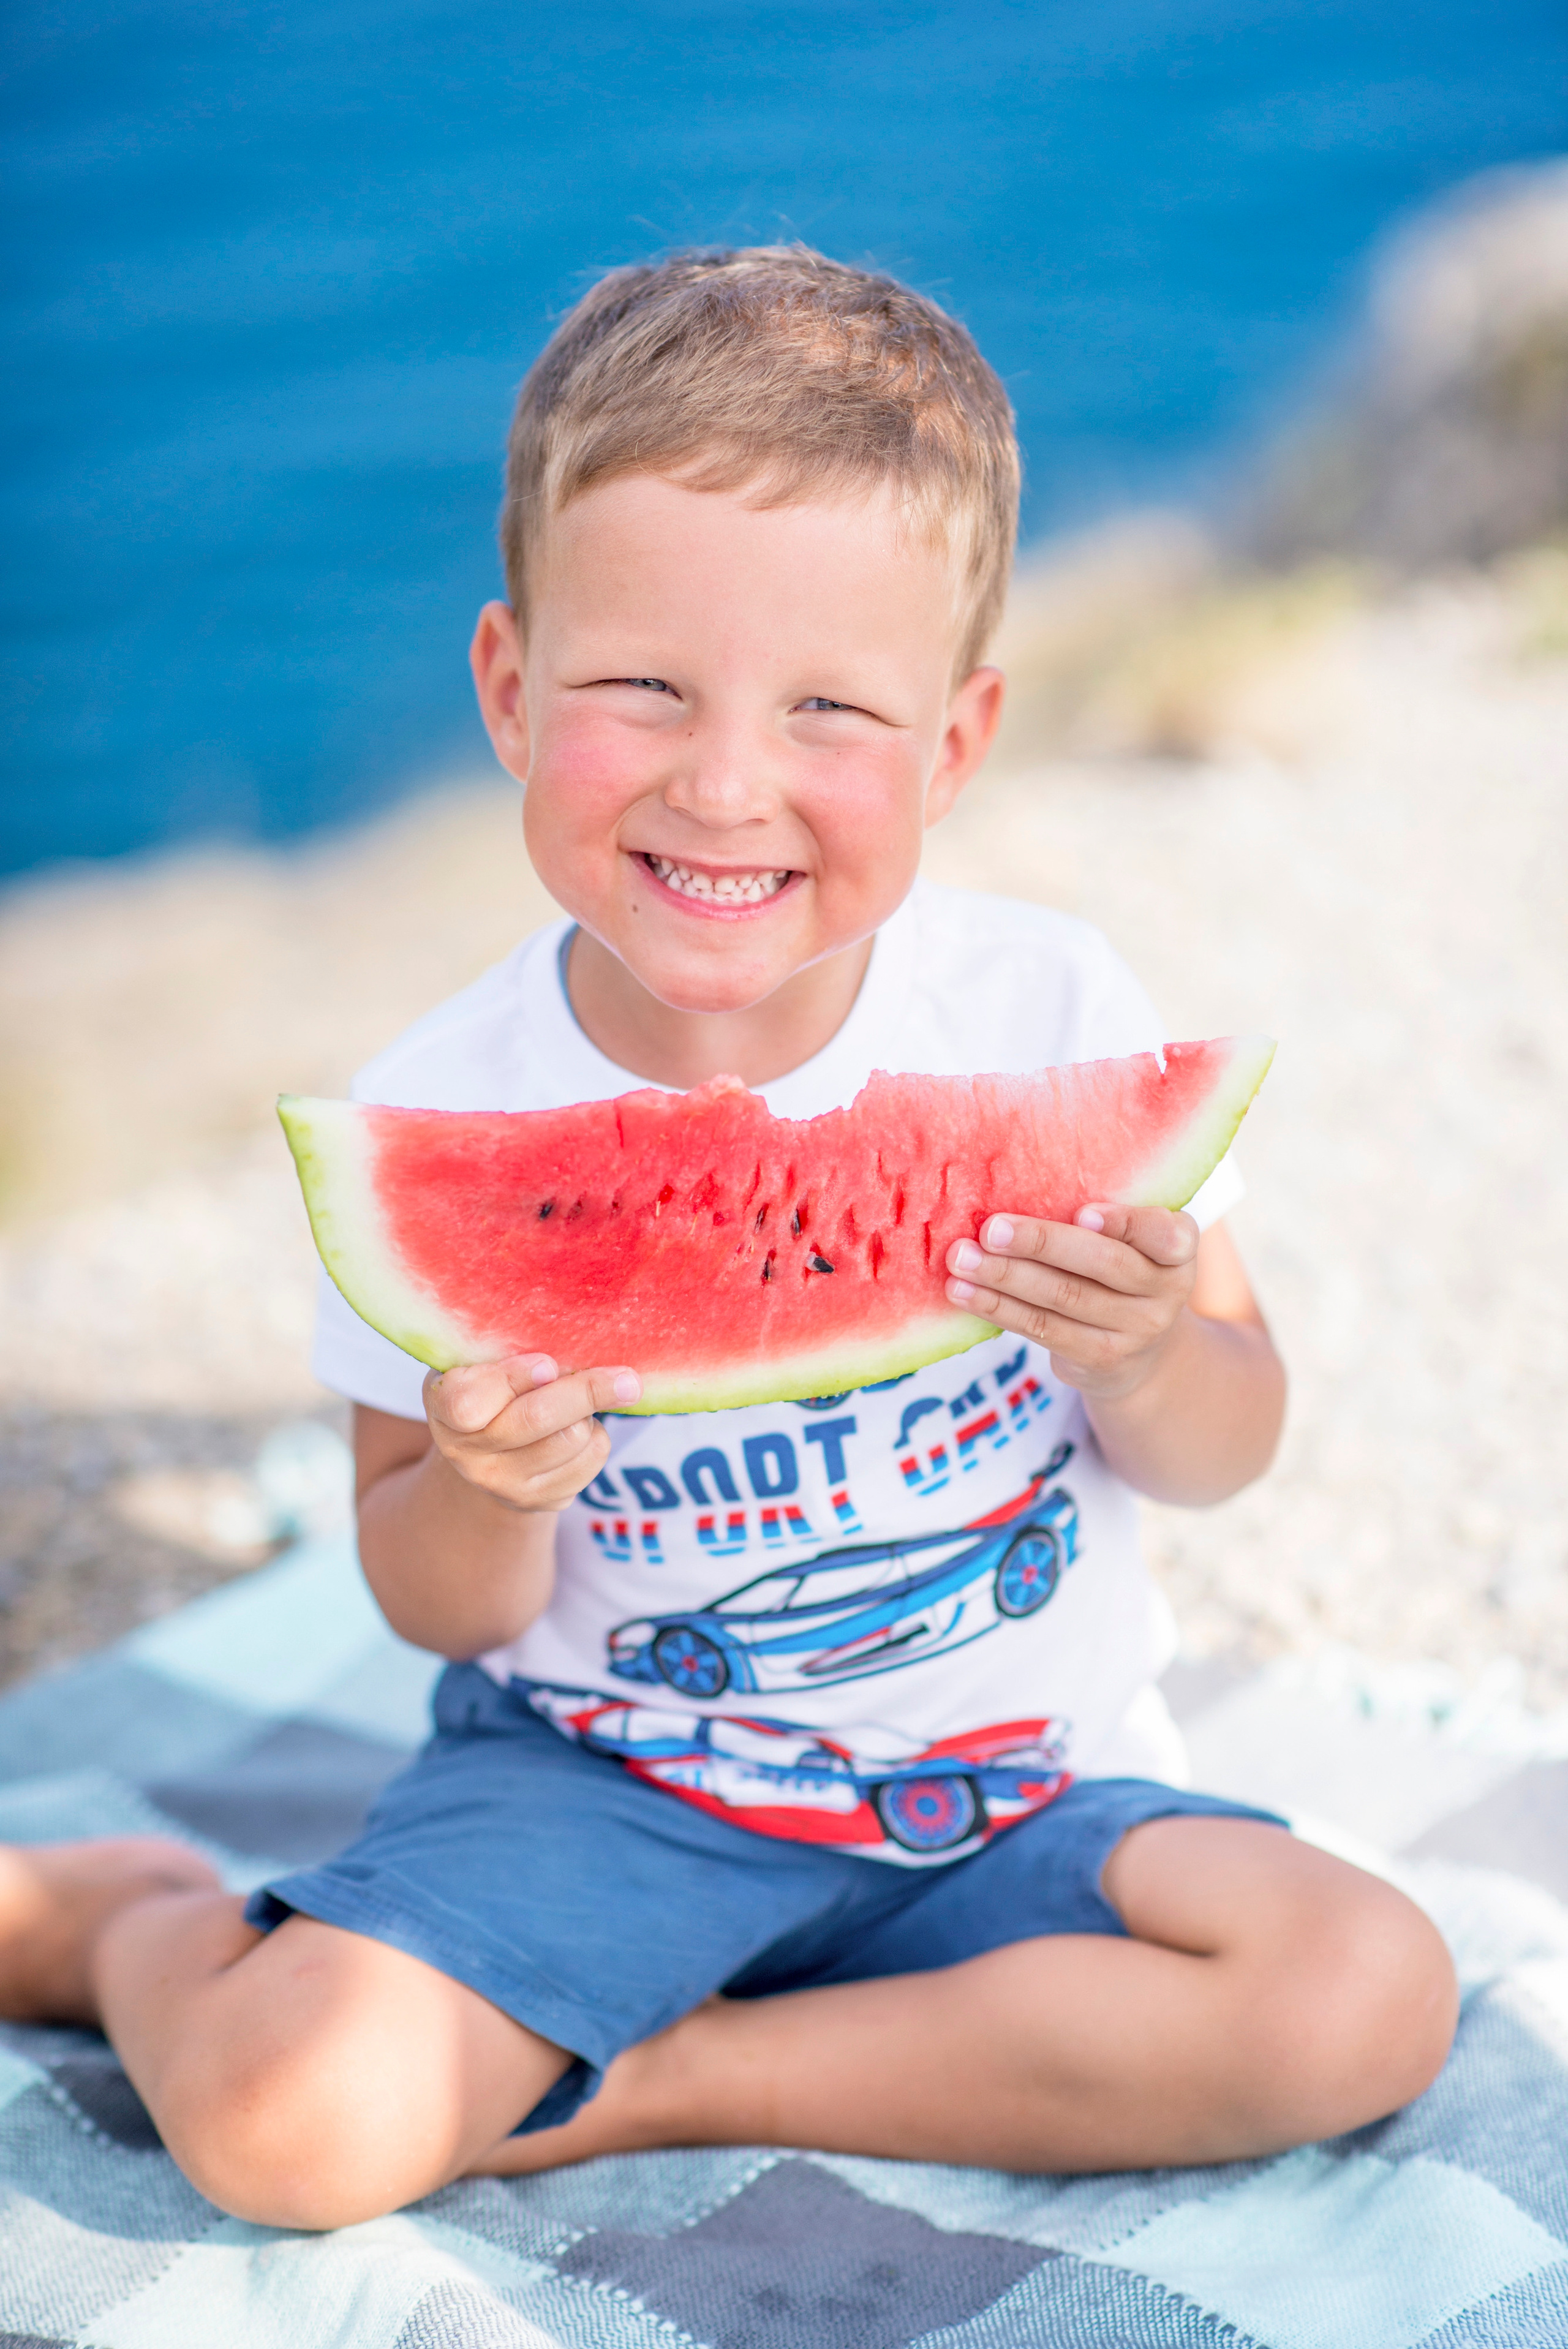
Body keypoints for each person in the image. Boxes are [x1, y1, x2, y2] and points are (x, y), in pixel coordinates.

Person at [0, 248, 1457, 2230]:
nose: (724, 779)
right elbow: (436, 1594)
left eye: (831, 710)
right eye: (643, 688)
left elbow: (1225, 1437)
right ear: (512, 692)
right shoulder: (446, 1116)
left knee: (1367, 1994)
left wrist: (1141, 1353)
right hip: (604, 1789)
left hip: (1022, 1784)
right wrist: (495, 1489)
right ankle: (139, 1924)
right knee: (285, 2129)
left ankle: (664, 2073)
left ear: (955, 746)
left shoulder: (1054, 1018)